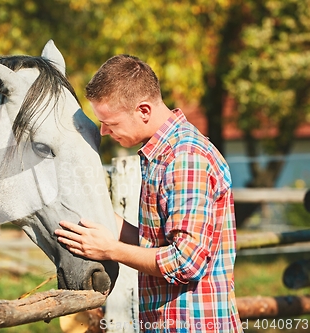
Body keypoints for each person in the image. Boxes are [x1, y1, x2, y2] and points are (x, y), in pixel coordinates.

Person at [54, 54, 243, 332]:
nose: (104, 132)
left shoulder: (184, 158)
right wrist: (107, 220)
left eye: (111, 123)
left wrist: (111, 250)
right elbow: (157, 243)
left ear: (143, 111)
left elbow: (185, 262)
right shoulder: (163, 155)